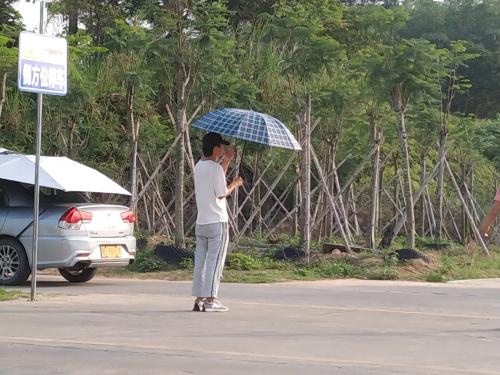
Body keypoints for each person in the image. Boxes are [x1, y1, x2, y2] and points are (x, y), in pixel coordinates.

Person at [191, 132, 243, 312]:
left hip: (202, 222)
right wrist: (235, 184)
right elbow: (221, 192)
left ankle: (199, 299)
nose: (223, 150)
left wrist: (226, 160)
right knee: (215, 260)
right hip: (217, 222)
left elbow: (216, 180)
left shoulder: (199, 166)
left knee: (201, 261)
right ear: (215, 149)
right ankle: (211, 300)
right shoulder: (214, 168)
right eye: (221, 147)